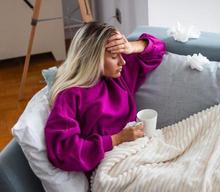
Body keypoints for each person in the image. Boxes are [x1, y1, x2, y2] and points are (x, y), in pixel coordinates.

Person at [44, 22, 166, 172]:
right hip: (111, 166)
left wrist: (131, 47)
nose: (123, 61)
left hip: (142, 149)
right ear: (93, 59)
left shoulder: (119, 75)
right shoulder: (70, 96)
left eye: (122, 54)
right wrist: (117, 138)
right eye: (115, 56)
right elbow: (63, 151)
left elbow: (158, 48)